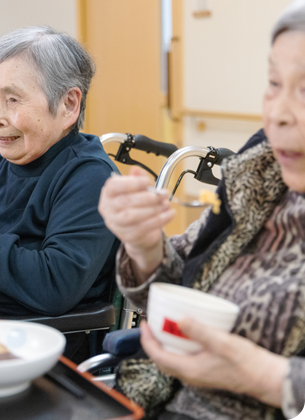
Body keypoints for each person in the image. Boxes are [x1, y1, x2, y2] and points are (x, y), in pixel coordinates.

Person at [98, 1, 305, 419]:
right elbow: (176, 282)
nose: (278, 115)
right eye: (272, 82)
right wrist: (144, 244)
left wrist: (264, 376)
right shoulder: (259, 175)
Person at [0, 26, 119, 361]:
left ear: (69, 105)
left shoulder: (90, 178)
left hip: (16, 340)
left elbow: (55, 287)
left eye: (12, 100)